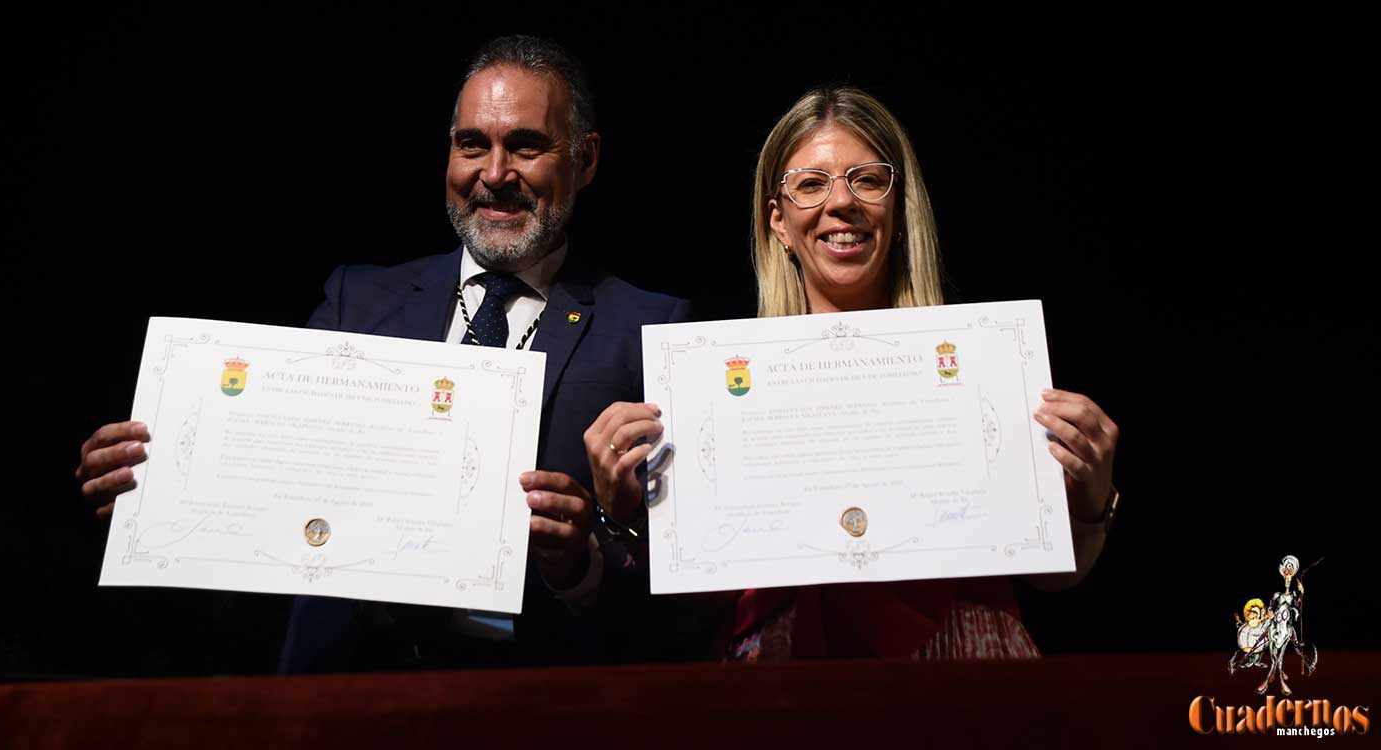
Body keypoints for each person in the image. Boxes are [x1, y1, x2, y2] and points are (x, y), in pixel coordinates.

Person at [73, 35, 692, 671]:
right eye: (472, 143)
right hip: (346, 686)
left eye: (526, 145)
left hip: (540, 694)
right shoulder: (356, 303)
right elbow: (261, 461)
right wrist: (152, 479)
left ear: (585, 159)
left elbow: (679, 589)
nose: (496, 173)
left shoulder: (645, 328)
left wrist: (584, 567)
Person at [586, 85, 1120, 661]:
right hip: (783, 671)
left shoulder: (988, 367)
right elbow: (698, 600)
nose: (841, 203)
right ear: (780, 222)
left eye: (866, 178)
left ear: (898, 203)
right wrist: (629, 515)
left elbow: (1053, 578)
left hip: (966, 661)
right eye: (811, 184)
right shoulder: (717, 389)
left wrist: (1092, 498)